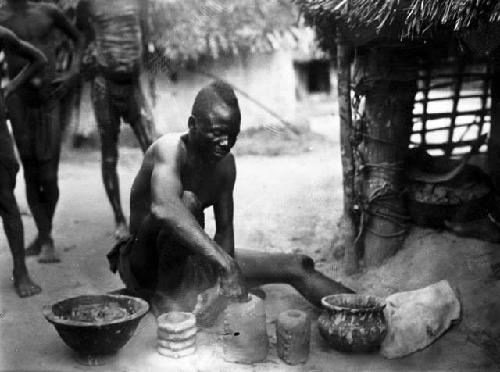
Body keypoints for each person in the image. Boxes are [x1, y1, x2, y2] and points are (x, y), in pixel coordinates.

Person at [107, 81, 353, 318]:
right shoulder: (169, 149)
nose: (225, 143)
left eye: (232, 135)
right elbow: (164, 207)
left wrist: (221, 287)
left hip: (186, 261)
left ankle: (372, 312)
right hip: (144, 267)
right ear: (193, 125)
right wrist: (226, 265)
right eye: (216, 133)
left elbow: (225, 231)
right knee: (188, 202)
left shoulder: (225, 165)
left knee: (296, 265)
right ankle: (168, 302)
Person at [0, 0, 83, 263]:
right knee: (31, 170)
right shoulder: (1, 16)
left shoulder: (49, 12)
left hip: (49, 96)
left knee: (49, 175)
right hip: (18, 98)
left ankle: (44, 235)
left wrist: (72, 72)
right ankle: (45, 237)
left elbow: (78, 38)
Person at [76, 0, 155, 240]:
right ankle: (120, 219)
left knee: (151, 146)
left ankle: (160, 206)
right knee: (110, 154)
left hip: (132, 85)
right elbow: (82, 35)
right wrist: (87, 59)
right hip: (104, 85)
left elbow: (144, 36)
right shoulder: (88, 3)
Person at [0, 26, 47, 296]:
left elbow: (39, 59)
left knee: (6, 198)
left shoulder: (2, 35)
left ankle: (20, 272)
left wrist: (8, 89)